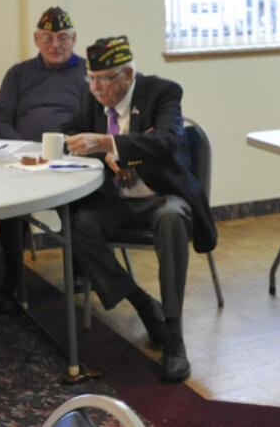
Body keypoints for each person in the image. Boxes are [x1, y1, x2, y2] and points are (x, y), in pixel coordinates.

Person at [61, 35, 216, 383]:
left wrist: (114, 143)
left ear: (127, 75)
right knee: (77, 224)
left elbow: (169, 140)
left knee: (173, 219)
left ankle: (174, 336)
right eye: (91, 78)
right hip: (117, 201)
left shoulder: (162, 92)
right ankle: (143, 303)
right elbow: (70, 130)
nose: (95, 87)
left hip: (163, 195)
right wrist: (108, 156)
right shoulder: (93, 97)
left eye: (103, 79)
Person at [0, 6, 87, 301]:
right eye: (47, 38)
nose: (55, 45)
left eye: (62, 38)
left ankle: (81, 269)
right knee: (8, 203)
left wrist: (70, 147)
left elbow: (99, 122)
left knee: (82, 204)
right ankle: (14, 276)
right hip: (23, 159)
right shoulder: (18, 74)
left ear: (74, 39)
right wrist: (26, 151)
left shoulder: (89, 73)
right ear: (36, 39)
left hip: (70, 158)